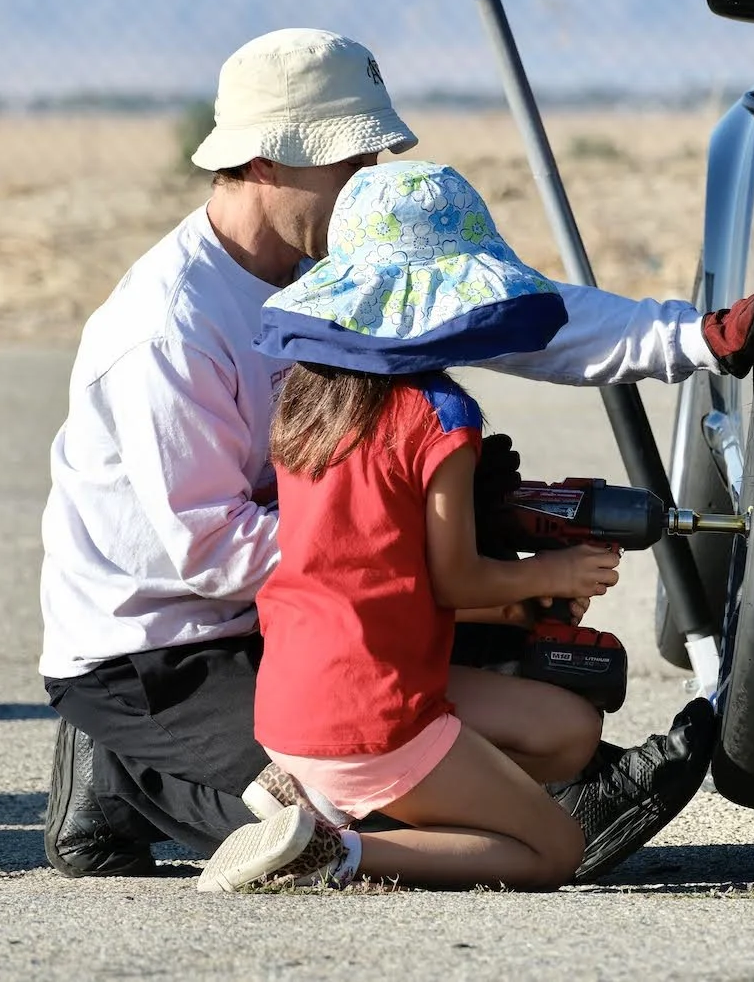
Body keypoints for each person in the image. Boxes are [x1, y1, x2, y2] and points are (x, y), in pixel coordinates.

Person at [39, 28, 754, 883]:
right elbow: (208, 550)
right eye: (350, 162)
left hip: (306, 608)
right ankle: (119, 776)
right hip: (164, 650)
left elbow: (506, 309)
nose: (372, 181)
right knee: (323, 801)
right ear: (266, 161)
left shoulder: (337, 267)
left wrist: (692, 338)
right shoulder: (169, 328)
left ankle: (522, 800)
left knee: (548, 700)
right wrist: (413, 552)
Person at [201, 160, 634, 892]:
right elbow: (453, 577)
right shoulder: (442, 417)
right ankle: (335, 850)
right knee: (557, 847)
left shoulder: (307, 395)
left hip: (295, 696)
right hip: (374, 712)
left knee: (568, 730)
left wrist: (519, 599)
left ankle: (310, 791)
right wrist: (553, 575)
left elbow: (378, 568)